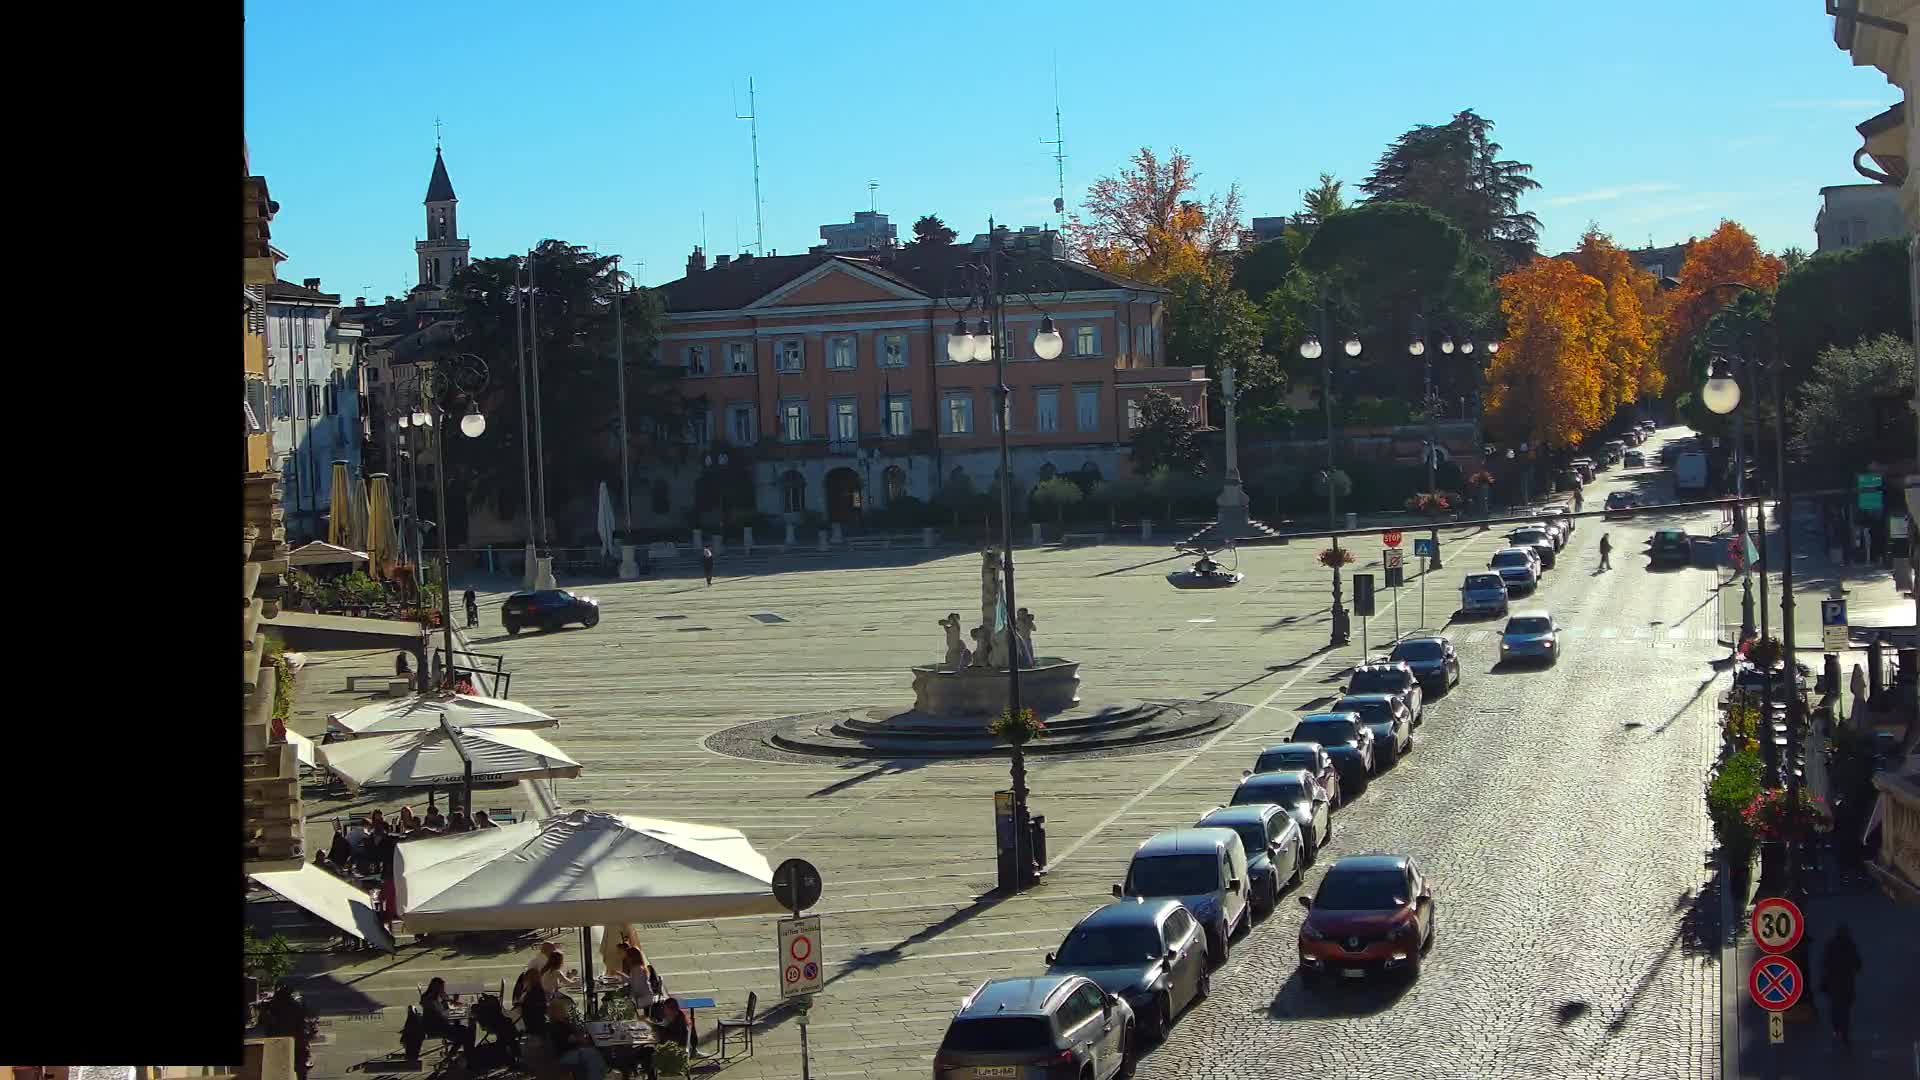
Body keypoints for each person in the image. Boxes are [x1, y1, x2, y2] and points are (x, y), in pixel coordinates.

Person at [262, 985, 316, 1079]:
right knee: (301, 1060)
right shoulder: (296, 1004)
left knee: (278, 1064)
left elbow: (264, 1020)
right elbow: (307, 1018)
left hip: (278, 1039)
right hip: (294, 1038)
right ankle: (303, 1066)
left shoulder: (272, 1005)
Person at [544, 999, 607, 1080]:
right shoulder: (557, 1026)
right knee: (593, 1055)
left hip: (569, 1052)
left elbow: (573, 1037)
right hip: (564, 1056)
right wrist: (582, 1040)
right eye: (562, 1009)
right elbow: (569, 1040)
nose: (564, 1010)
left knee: (592, 1054)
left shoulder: (559, 1023)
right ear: (556, 1011)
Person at [1822, 924, 1862, 1048]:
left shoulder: (1831, 946)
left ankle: (1836, 1029)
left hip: (1834, 983)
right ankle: (1844, 1032)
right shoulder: (1850, 946)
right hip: (1846, 983)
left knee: (1835, 1007)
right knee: (1845, 1009)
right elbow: (1857, 964)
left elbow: (1825, 964)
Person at [418, 977, 476, 1056]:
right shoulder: (430, 1000)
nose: (443, 990)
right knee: (465, 1033)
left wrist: (453, 1003)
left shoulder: (433, 998)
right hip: (436, 1028)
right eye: (442, 988)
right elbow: (444, 1014)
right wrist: (458, 1009)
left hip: (440, 1025)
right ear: (436, 988)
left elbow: (446, 1010)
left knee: (464, 1032)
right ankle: (461, 1055)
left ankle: (453, 1056)